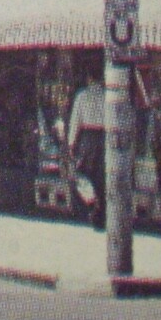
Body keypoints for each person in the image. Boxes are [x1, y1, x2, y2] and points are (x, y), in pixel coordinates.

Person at [67, 69, 107, 229]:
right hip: (105, 137)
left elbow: (75, 121)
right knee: (101, 177)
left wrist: (71, 143)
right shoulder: (108, 96)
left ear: (89, 78)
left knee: (81, 174)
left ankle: (91, 201)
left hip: (87, 138)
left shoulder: (82, 96)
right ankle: (101, 213)